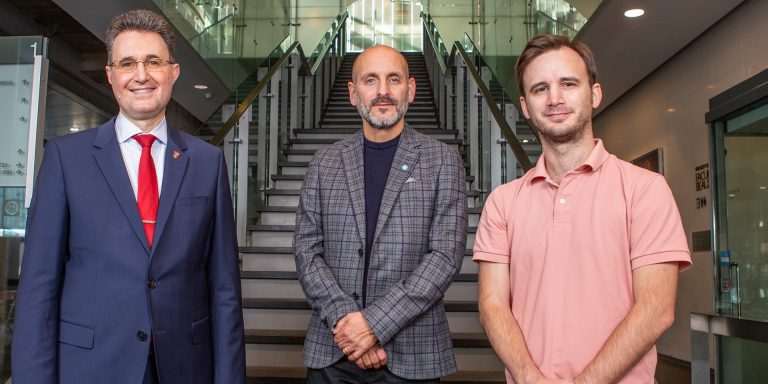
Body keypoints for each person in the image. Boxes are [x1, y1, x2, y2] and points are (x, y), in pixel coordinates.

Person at [12, 9, 246, 384]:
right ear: (110, 74)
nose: (141, 75)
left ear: (173, 72)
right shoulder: (65, 158)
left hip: (185, 367)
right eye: (127, 63)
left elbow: (224, 289)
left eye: (154, 62)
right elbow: (39, 285)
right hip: (91, 367)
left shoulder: (208, 163)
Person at [474, 34, 692, 384]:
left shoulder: (645, 189)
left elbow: (656, 311)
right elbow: (492, 306)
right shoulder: (502, 202)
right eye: (539, 88)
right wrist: (530, 378)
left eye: (568, 83)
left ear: (594, 94)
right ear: (525, 107)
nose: (555, 98)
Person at [293, 45, 468, 382]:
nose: (383, 92)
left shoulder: (444, 161)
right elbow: (306, 250)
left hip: (413, 354)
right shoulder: (323, 163)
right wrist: (350, 324)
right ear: (353, 92)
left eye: (394, 80)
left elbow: (445, 256)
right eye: (370, 80)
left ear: (411, 89)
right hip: (334, 348)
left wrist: (374, 324)